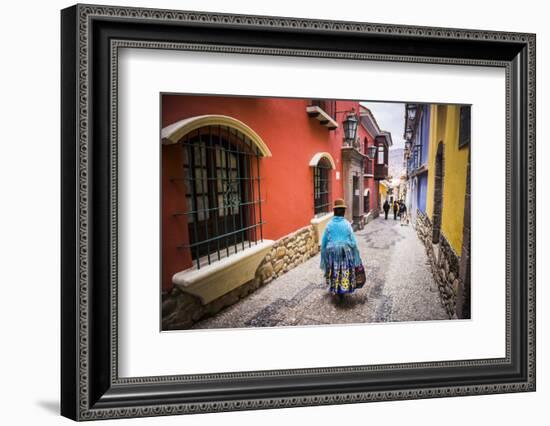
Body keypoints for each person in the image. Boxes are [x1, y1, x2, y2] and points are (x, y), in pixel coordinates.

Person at [320, 199, 365, 300]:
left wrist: (324, 257)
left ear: (335, 212)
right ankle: (343, 290)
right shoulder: (347, 224)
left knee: (335, 270)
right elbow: (353, 242)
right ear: (343, 212)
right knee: (344, 271)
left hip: (332, 254)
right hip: (345, 253)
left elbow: (323, 242)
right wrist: (356, 255)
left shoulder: (329, 225)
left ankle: (335, 288)